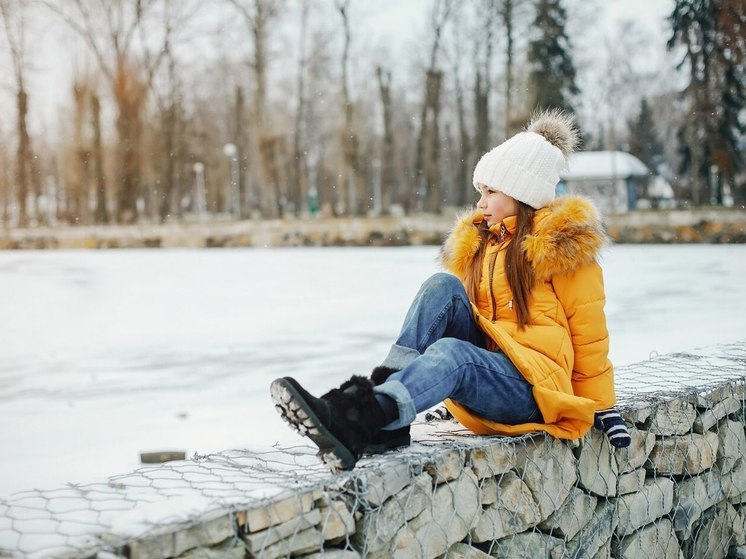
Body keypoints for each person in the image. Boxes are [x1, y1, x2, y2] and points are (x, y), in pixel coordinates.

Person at [270, 109, 631, 472]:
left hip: (534, 390)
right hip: (488, 370)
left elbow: (590, 334)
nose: (481, 202)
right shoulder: (484, 244)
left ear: (522, 193)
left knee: (453, 353)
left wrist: (602, 404)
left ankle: (365, 420)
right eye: (481, 192)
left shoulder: (559, 247)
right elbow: (478, 325)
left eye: (490, 191)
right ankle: (381, 411)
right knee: (441, 286)